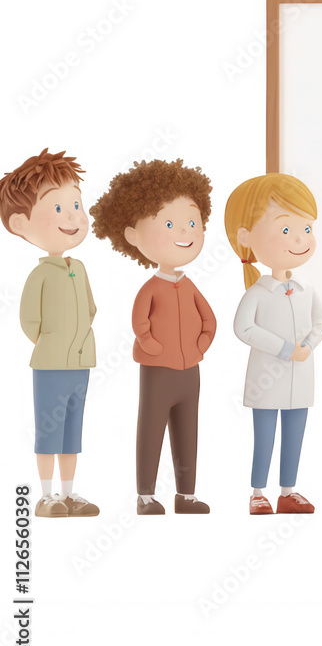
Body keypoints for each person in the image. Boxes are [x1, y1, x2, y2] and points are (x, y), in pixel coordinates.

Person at [90, 159, 216, 515]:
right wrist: (149, 343)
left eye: (193, 222)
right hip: (158, 370)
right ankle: (145, 495)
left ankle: (186, 495)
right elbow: (139, 322)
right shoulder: (151, 287)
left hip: (190, 371)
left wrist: (202, 344)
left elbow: (210, 319)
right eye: (170, 223)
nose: (186, 232)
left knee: (188, 431)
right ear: (132, 236)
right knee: (151, 428)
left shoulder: (189, 285)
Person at [0, 148, 100, 517]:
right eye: (58, 208)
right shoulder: (40, 274)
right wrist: (52, 344)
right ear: (20, 224)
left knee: (73, 432)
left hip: (81, 363)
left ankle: (69, 493)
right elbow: (30, 322)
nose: (73, 215)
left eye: (76, 203)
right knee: (49, 429)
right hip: (50, 365)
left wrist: (79, 344)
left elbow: (91, 309)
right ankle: (45, 495)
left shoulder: (81, 268)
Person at [225, 174, 322, 515]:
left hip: (302, 376)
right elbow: (243, 329)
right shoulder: (256, 293)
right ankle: (257, 491)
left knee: (294, 437)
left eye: (306, 228)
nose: (299, 239)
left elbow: (320, 324)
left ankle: (288, 491)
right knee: (264, 437)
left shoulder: (306, 290)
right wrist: (285, 349)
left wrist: (307, 347)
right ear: (245, 237)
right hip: (267, 378)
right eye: (286, 229)